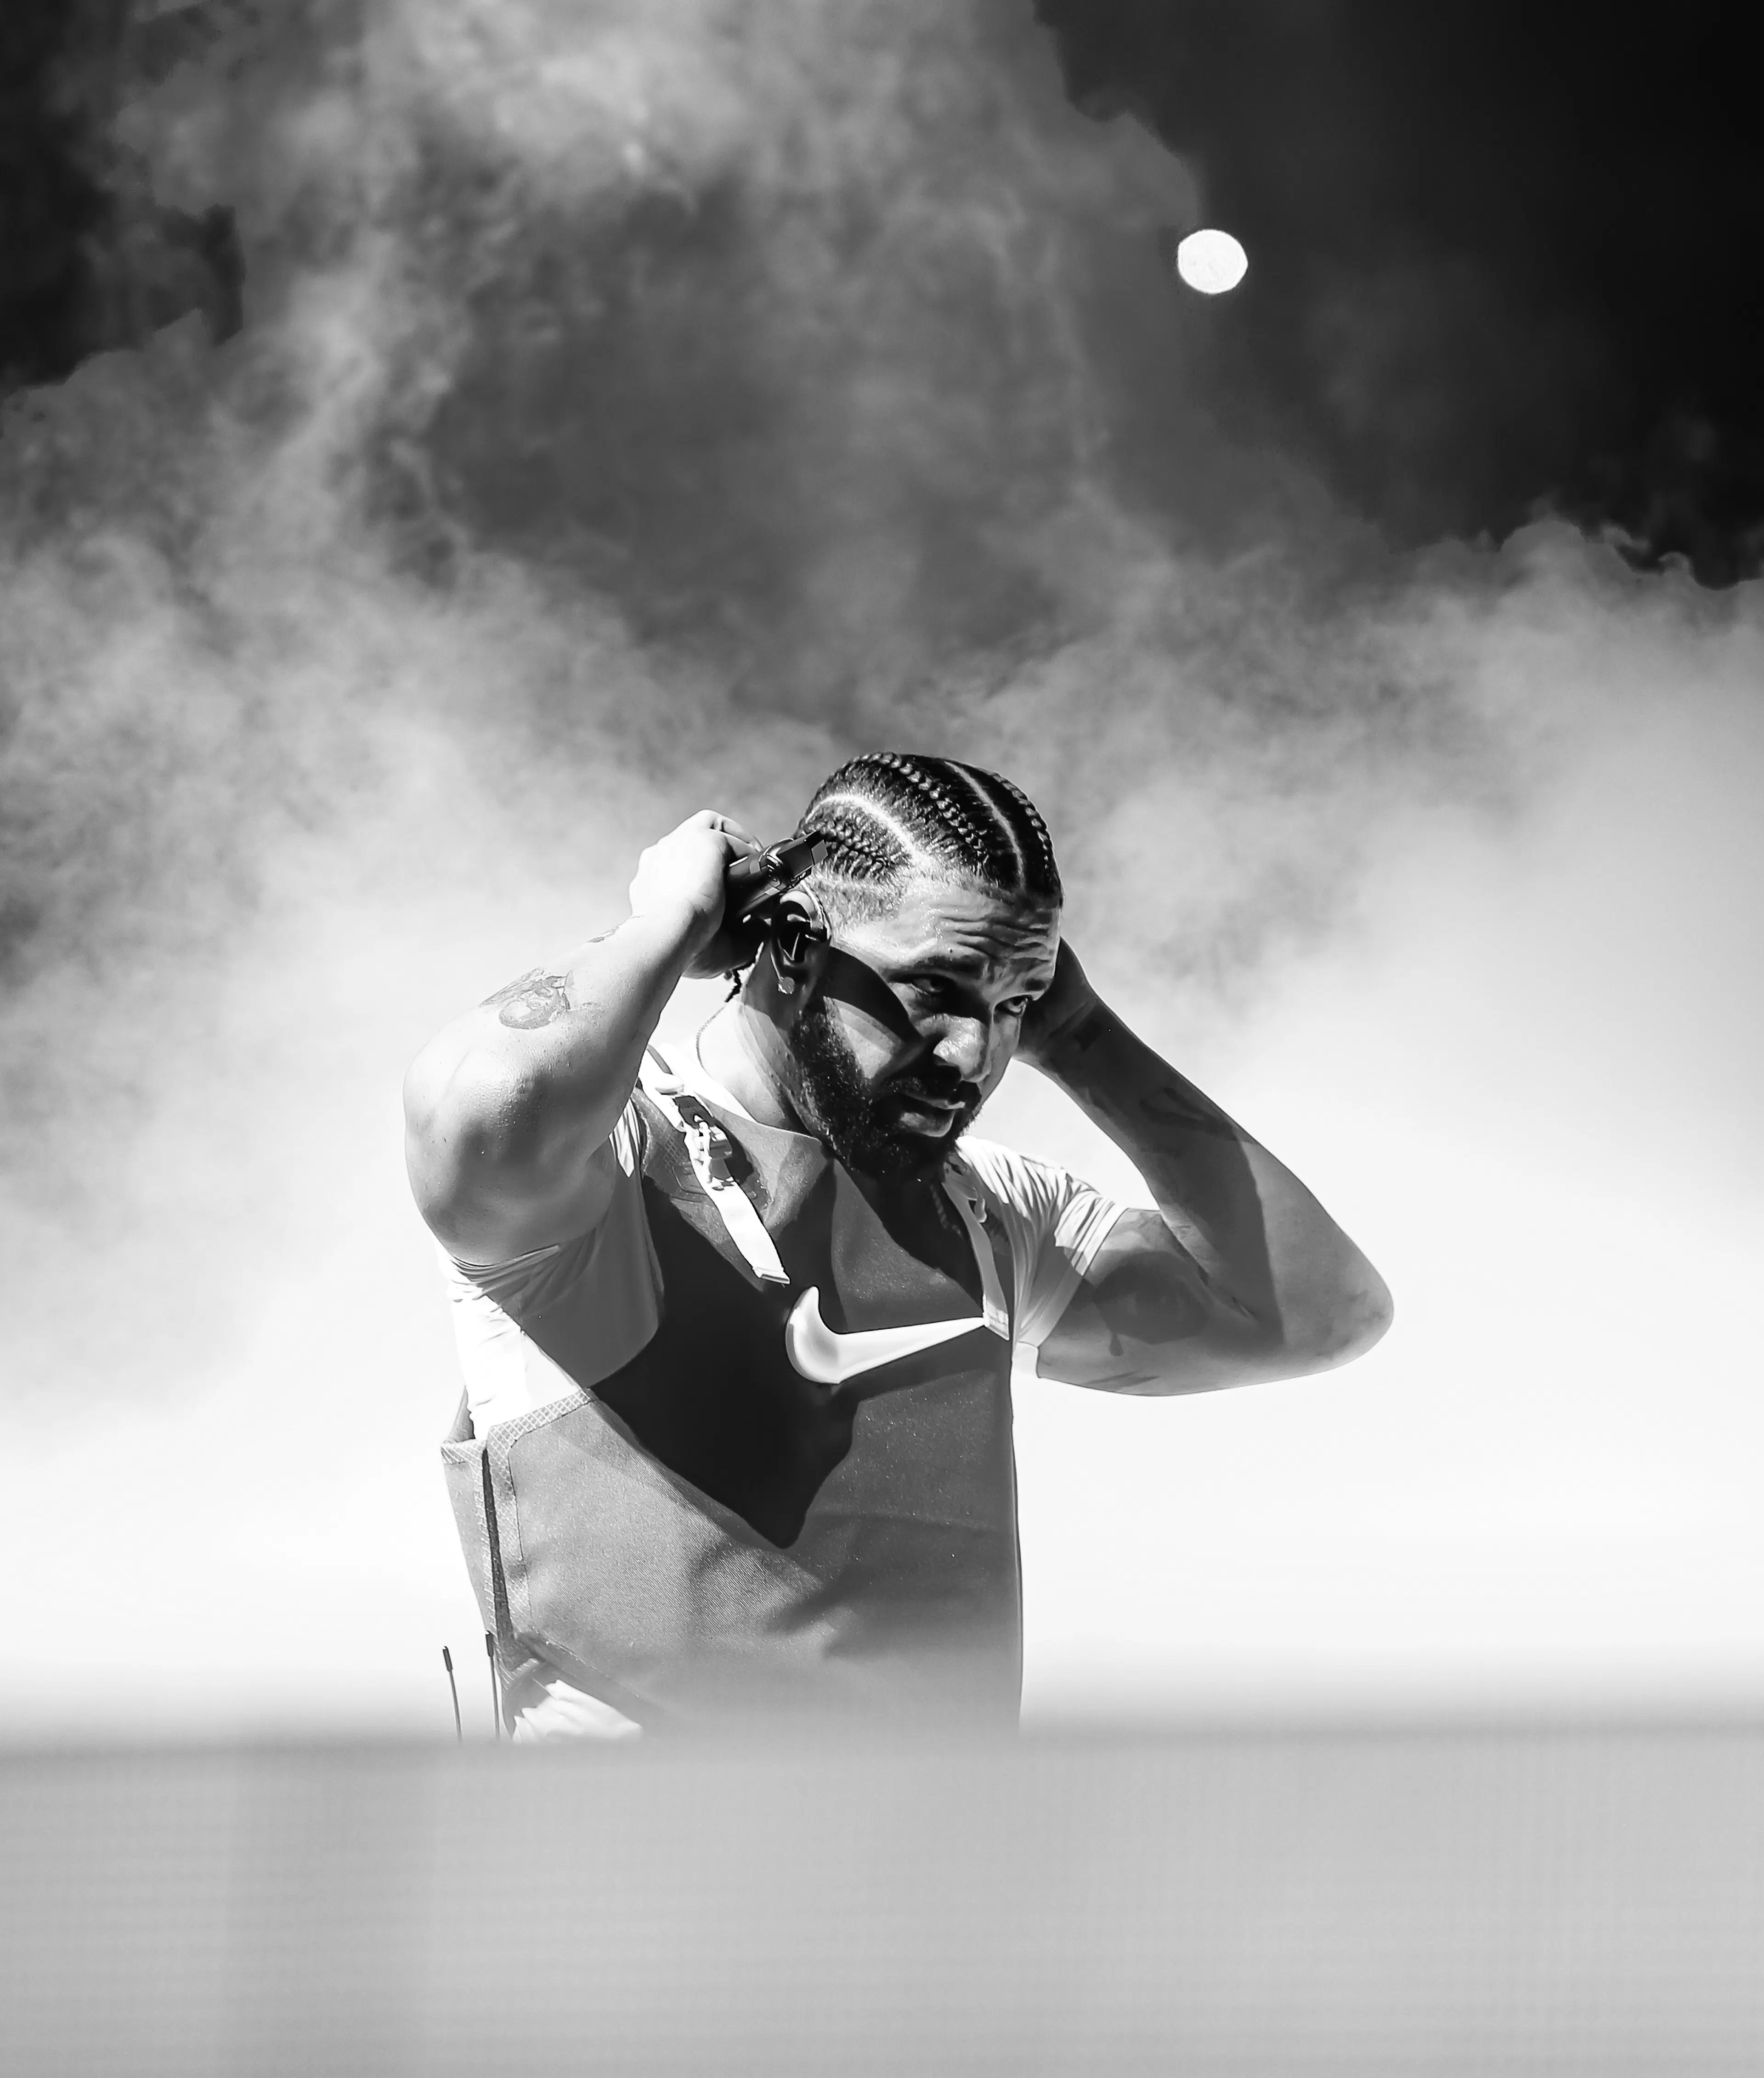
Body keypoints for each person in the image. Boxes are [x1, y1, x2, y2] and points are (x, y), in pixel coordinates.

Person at [403, 752, 1391, 1738]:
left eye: (1015, 1005)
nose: (977, 1053)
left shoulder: (988, 1212)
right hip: (618, 1842)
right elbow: (480, 1106)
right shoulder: (606, 1173)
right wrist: (666, 926)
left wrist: (1083, 1032)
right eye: (936, 987)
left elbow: (1319, 1312)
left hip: (940, 1840)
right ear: (794, 946)